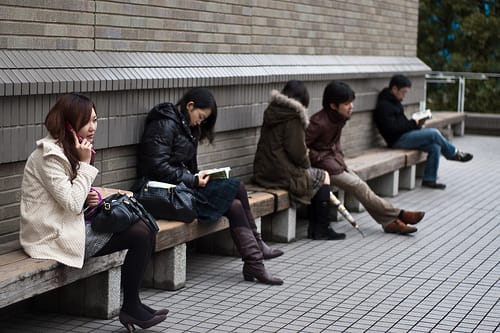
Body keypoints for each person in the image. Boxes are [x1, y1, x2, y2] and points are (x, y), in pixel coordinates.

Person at [19, 93, 167, 333]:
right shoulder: (48, 157)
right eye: (86, 122)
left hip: (69, 225)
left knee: (145, 226)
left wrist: (92, 195)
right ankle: (131, 306)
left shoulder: (69, 148)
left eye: (95, 120)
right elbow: (71, 203)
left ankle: (133, 304)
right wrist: (86, 166)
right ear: (68, 124)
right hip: (51, 236)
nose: (93, 128)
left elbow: (74, 199)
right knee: (140, 232)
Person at [137, 87, 284, 285]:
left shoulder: (187, 127)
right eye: (200, 116)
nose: (200, 121)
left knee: (236, 203)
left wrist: (198, 176)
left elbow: (187, 166)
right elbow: (156, 166)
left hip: (181, 189)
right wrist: (193, 180)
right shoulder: (164, 124)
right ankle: (256, 255)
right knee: (237, 187)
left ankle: (254, 262)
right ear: (190, 106)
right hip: (161, 193)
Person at [306, 81, 426, 235]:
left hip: (334, 164)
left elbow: (334, 143)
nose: (351, 106)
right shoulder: (318, 122)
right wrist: (320, 157)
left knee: (361, 185)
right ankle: (398, 214)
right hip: (322, 169)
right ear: (333, 105)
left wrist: (338, 157)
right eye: (346, 103)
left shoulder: (337, 118)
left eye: (351, 102)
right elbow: (301, 147)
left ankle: (389, 222)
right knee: (359, 186)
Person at [252, 80, 345, 240]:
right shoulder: (293, 117)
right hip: (280, 173)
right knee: (323, 176)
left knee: (316, 176)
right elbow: (297, 152)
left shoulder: (273, 111)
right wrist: (307, 164)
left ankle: (318, 228)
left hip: (264, 170)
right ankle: (320, 229)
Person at [374, 74, 473, 189]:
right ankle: (453, 154)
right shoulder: (384, 106)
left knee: (435, 146)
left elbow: (402, 124)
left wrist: (417, 124)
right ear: (394, 89)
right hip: (396, 140)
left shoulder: (394, 102)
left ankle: (429, 180)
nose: (405, 95)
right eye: (403, 92)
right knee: (433, 133)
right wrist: (414, 123)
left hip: (404, 136)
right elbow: (392, 129)